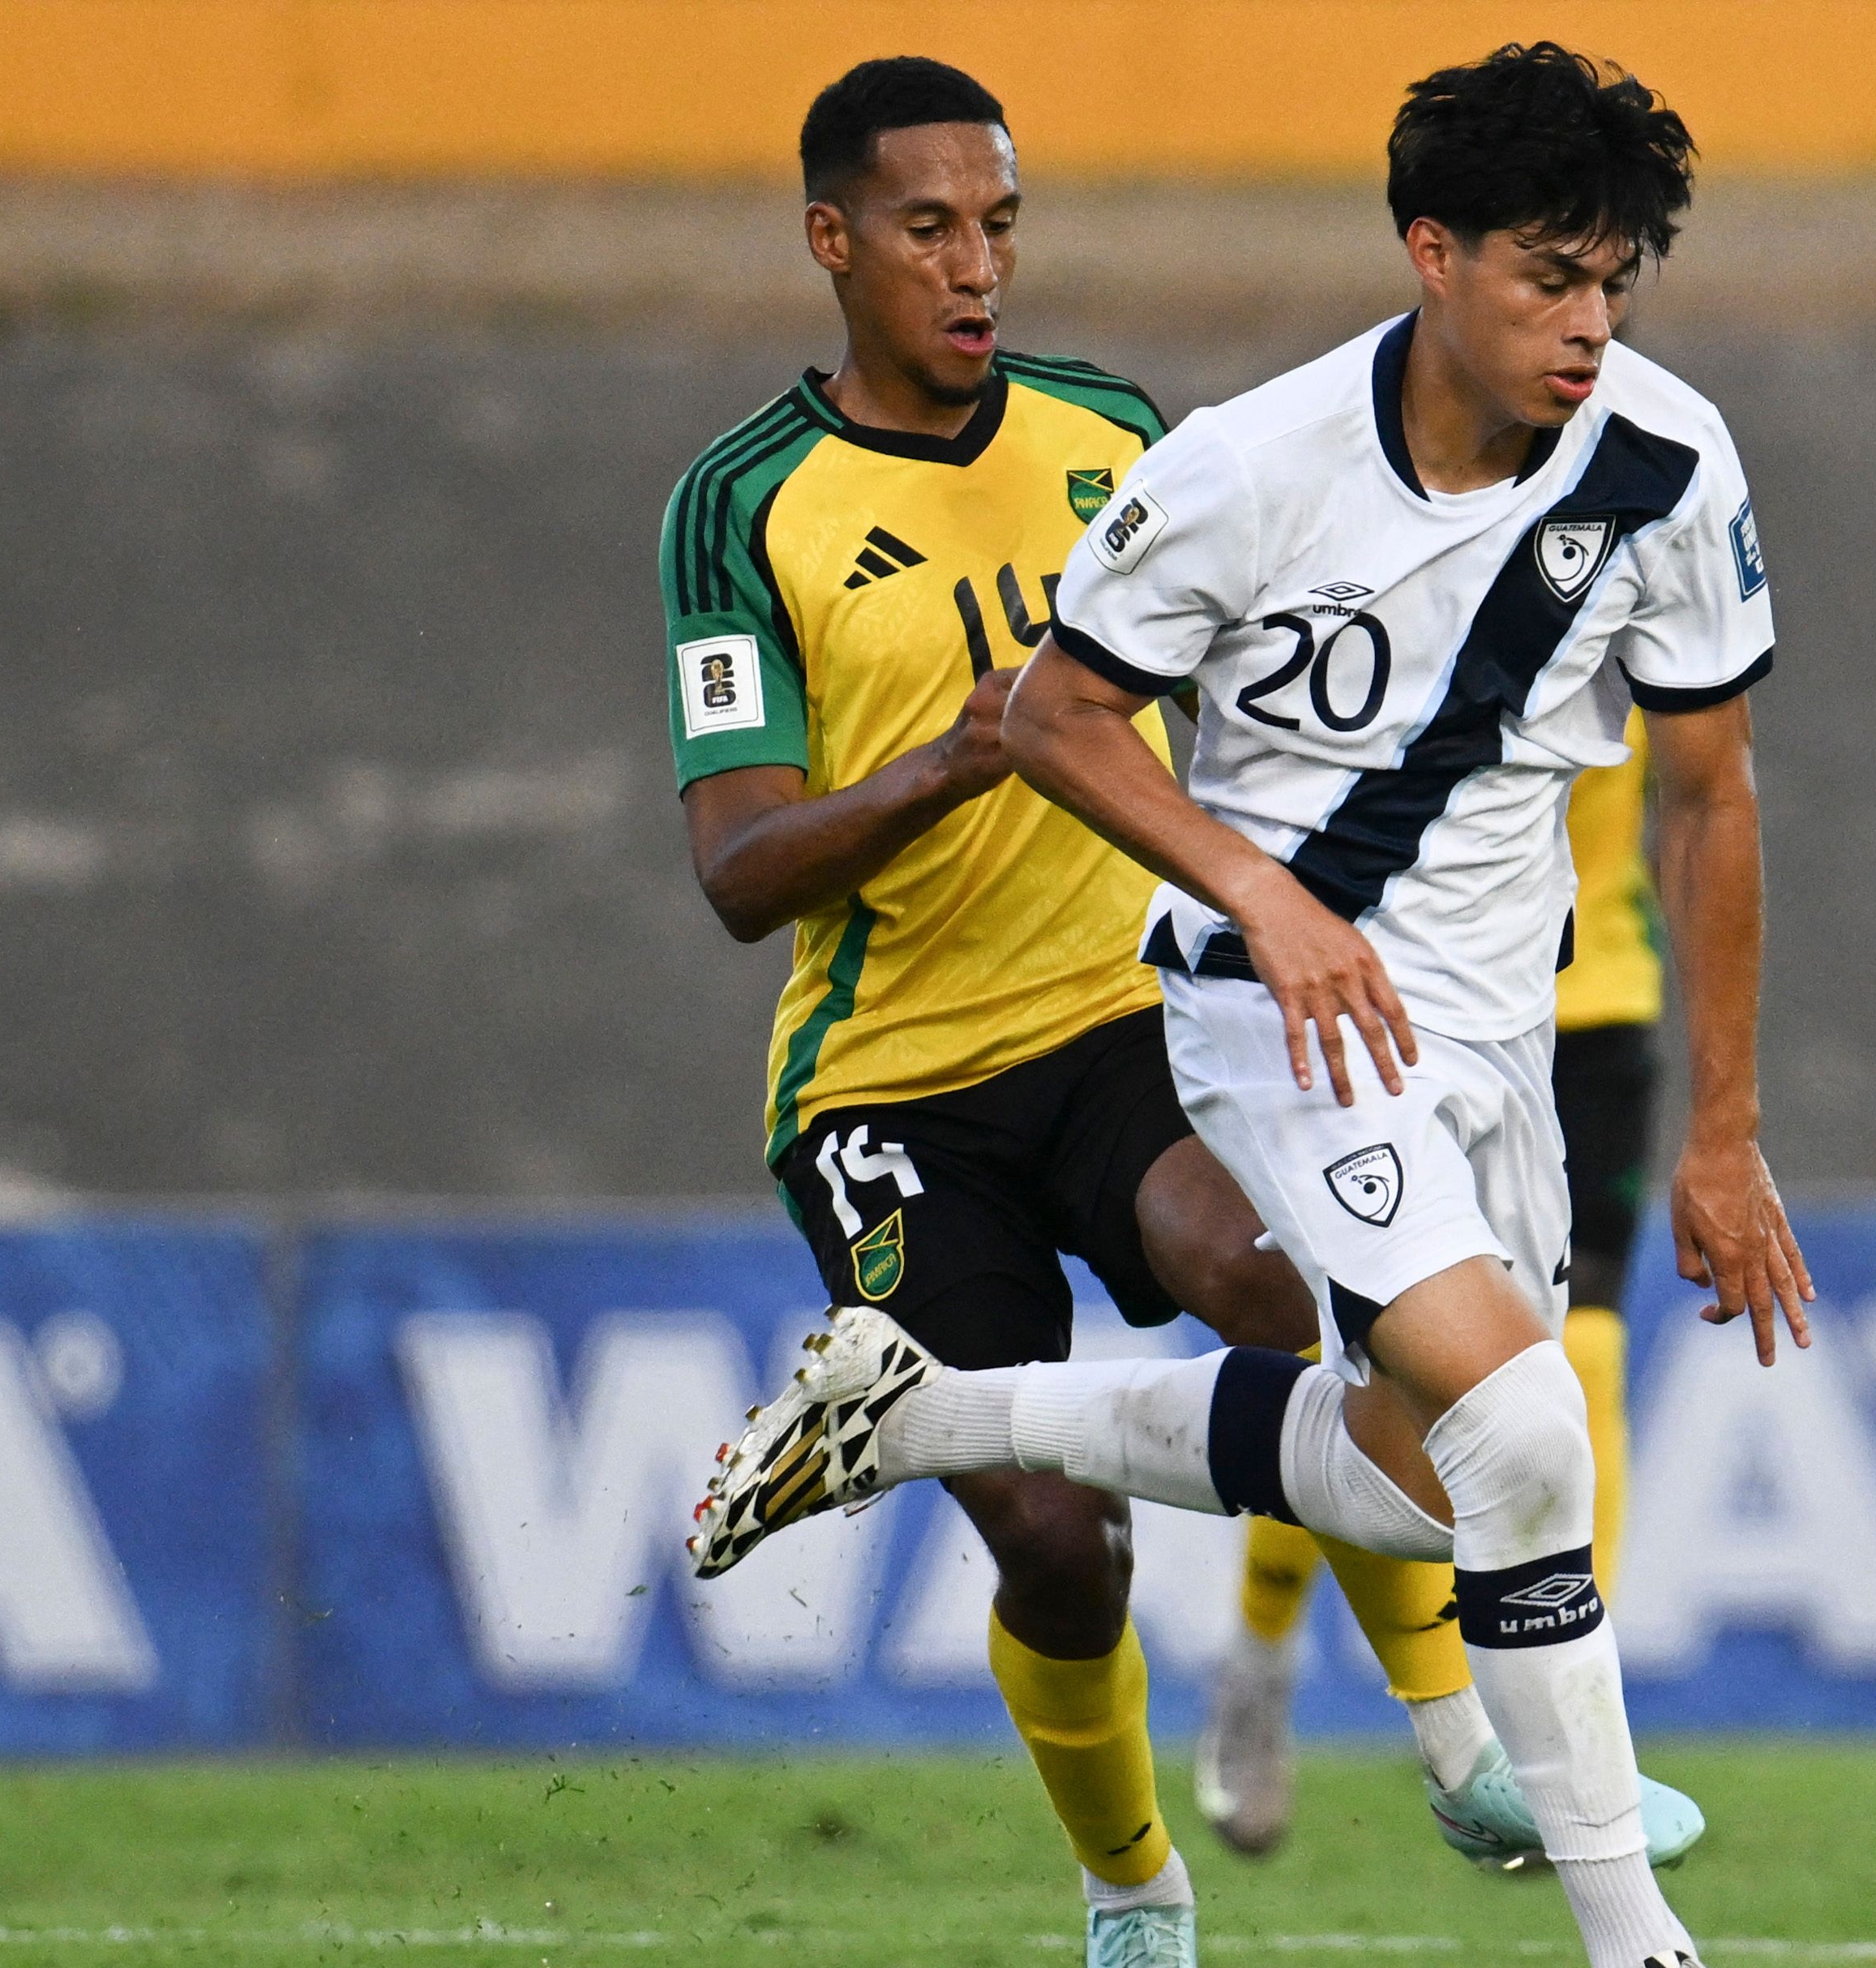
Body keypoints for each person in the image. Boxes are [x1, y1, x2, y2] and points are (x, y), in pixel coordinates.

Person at [696, 44, 1810, 1968]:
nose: (1588, 323)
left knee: (1423, 1470)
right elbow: (1053, 714)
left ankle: (923, 1413)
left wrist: (1723, 1129)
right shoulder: (1234, 465)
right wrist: (1264, 896)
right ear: (1430, 253)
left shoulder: (1668, 460)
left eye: (1615, 282)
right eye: (1551, 277)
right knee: (1518, 1438)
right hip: (1240, 1013)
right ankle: (1584, 1918)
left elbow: (1709, 796)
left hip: (1485, 1039)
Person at [1193, 718, 1665, 1860]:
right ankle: (1260, 1661)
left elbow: (1710, 782)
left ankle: (1561, 1740)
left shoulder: (1655, 557)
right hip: (1404, 1004)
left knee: (1581, 1365)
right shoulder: (1387, 563)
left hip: (1589, 1002)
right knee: (1370, 1378)